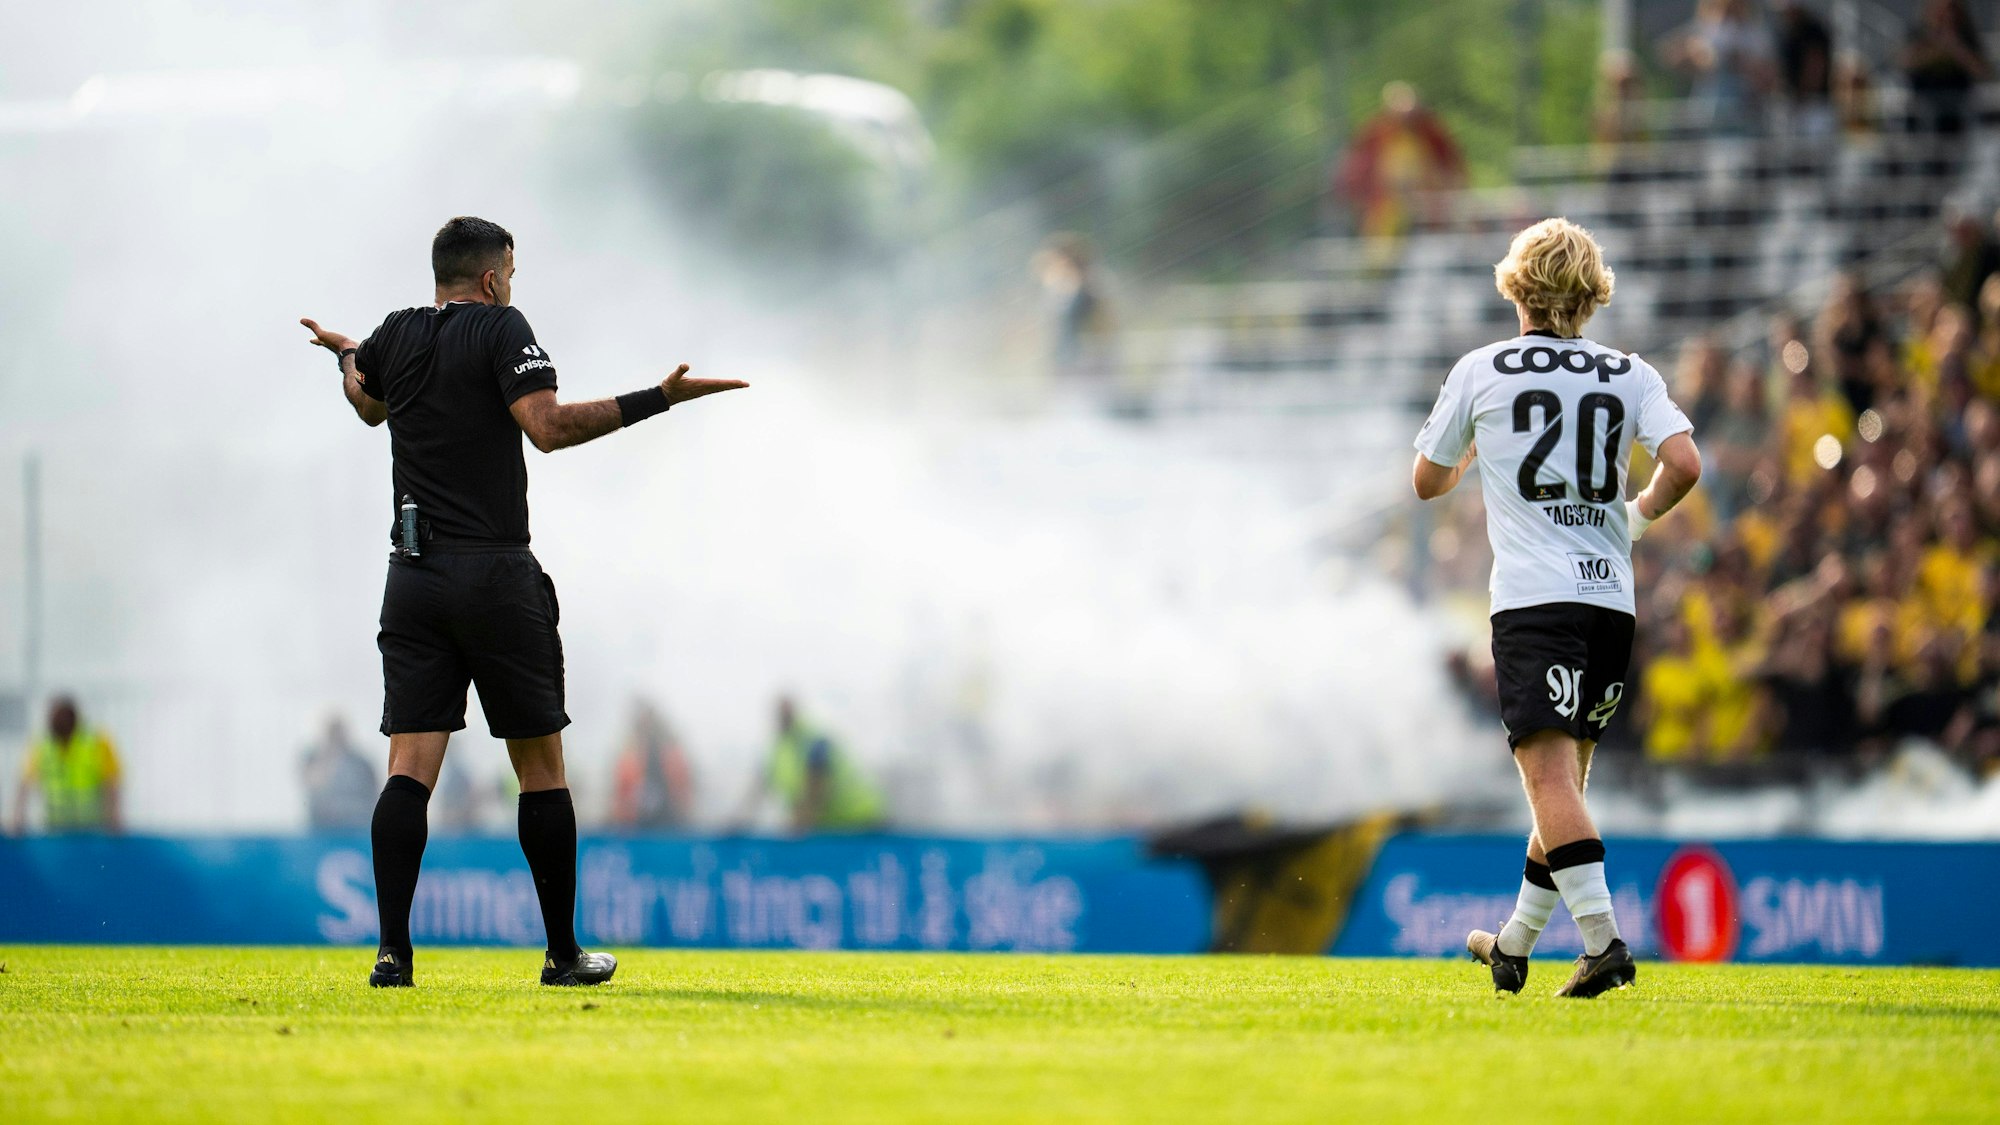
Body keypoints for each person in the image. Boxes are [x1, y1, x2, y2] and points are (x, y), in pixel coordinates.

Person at [299, 216, 747, 988]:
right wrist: (658, 398)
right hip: (494, 573)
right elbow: (546, 427)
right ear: (493, 277)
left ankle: (392, 952)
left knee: (408, 765)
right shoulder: (503, 328)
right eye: (513, 271)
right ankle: (562, 952)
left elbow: (365, 402)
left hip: (412, 575)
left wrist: (345, 352)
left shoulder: (396, 334)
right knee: (540, 768)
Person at [1411, 217, 1701, 997]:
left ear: (1517, 288)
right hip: (1611, 602)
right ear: (1590, 296)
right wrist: (1633, 517)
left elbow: (1426, 482)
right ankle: (1512, 944)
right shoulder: (1628, 373)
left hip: (1535, 602)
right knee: (1563, 785)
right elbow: (1684, 463)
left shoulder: (1483, 368)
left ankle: (1604, 945)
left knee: (1550, 785)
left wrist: (1471, 450)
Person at [1331, 82, 1466, 268]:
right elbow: (1358, 168)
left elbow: (1451, 167)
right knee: (1382, 250)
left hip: (1426, 204)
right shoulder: (1379, 133)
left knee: (1430, 248)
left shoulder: (1430, 134)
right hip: (1387, 204)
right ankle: (1379, 275)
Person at [736, 697, 886, 833]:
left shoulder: (813, 740)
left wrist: (796, 827)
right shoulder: (777, 752)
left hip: (863, 823)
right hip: (829, 830)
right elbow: (756, 794)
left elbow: (816, 790)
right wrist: (738, 824)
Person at [12, 696, 123, 834]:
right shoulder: (42, 746)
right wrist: (17, 816)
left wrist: (114, 816)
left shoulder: (97, 742)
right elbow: (25, 782)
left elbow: (111, 781)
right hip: (54, 827)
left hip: (91, 827)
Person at [609, 702, 695, 830]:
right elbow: (621, 792)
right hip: (635, 824)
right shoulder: (630, 755)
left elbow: (683, 789)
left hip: (671, 822)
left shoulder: (671, 753)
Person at [300, 716, 377, 832]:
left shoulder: (360, 763)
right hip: (321, 827)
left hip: (357, 826)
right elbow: (312, 783)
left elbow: (373, 792)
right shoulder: (314, 758)